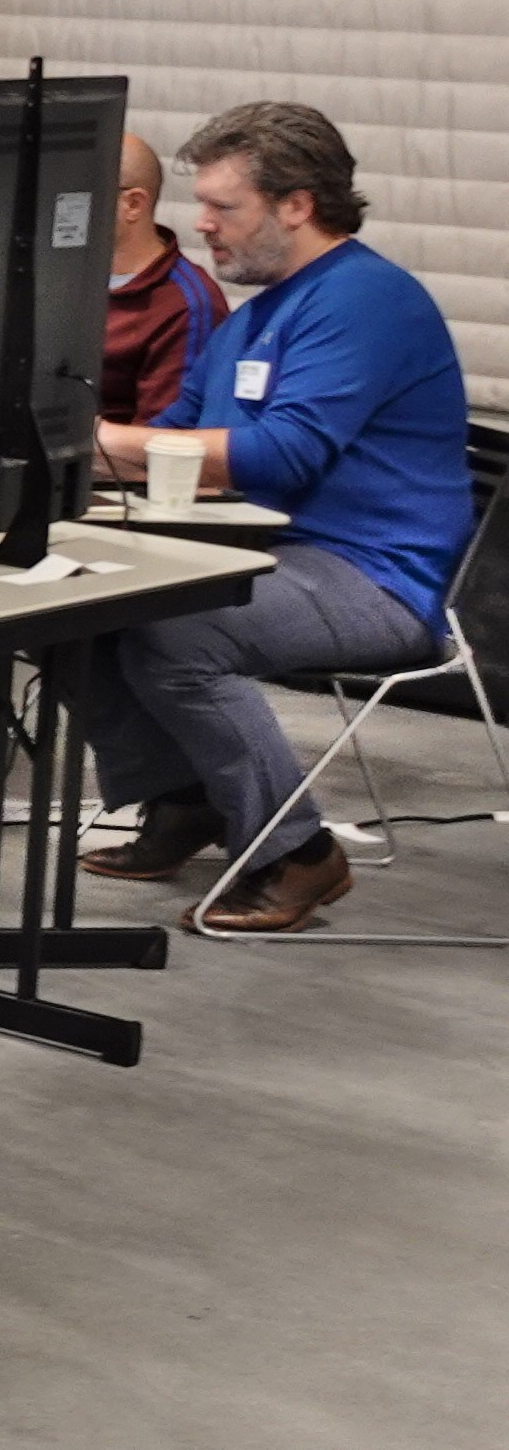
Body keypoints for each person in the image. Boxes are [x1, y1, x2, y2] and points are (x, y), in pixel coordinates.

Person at [71, 103, 473, 933]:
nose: (203, 224)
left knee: (178, 635)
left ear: (296, 204)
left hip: (371, 578)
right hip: (268, 551)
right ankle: (184, 802)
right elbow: (176, 436)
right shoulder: (251, 315)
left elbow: (284, 453)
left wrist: (106, 439)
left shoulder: (363, 300)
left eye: (225, 207)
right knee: (67, 607)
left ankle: (297, 853)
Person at [102, 131, 225, 425]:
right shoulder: (56, 277)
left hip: (102, 466)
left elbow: (165, 442)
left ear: (132, 204)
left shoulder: (186, 305)